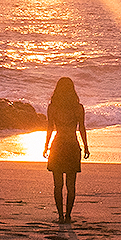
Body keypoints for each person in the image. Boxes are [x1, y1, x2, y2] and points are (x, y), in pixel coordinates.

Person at [43, 76, 90, 222]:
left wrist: (46, 146)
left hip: (57, 146)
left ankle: (60, 216)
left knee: (58, 185)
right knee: (71, 185)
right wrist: (86, 146)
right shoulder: (78, 108)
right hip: (72, 145)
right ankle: (68, 216)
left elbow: (50, 128)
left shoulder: (53, 107)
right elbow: (81, 128)